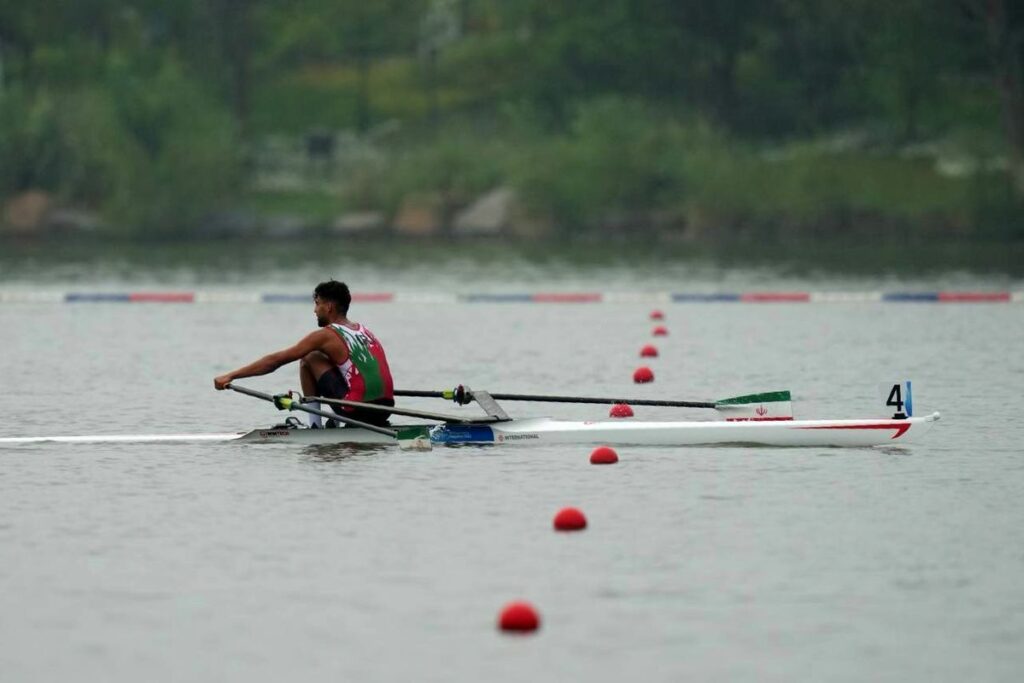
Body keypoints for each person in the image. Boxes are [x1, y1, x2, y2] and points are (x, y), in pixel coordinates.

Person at [213, 280, 395, 427]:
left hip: (358, 411)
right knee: (339, 365)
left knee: (310, 357)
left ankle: (315, 426)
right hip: (386, 409)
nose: (314, 310)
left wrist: (231, 375)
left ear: (329, 307)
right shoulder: (365, 330)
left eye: (317, 304)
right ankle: (337, 422)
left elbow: (275, 361)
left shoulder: (326, 335)